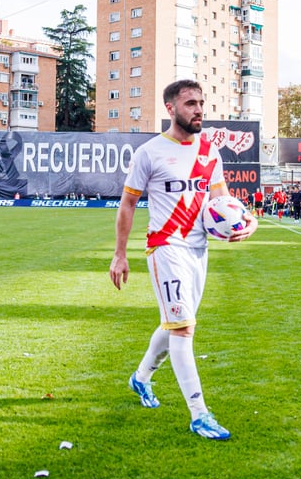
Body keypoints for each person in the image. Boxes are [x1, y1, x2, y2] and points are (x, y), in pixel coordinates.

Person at [109, 79, 257, 441]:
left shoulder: (210, 152)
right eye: (190, 103)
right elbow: (128, 203)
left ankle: (140, 378)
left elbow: (222, 200)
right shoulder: (150, 152)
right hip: (166, 247)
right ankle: (199, 414)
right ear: (171, 108)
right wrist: (119, 254)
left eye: (201, 103)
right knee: (184, 328)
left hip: (199, 249)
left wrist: (244, 223)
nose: (199, 109)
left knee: (176, 323)